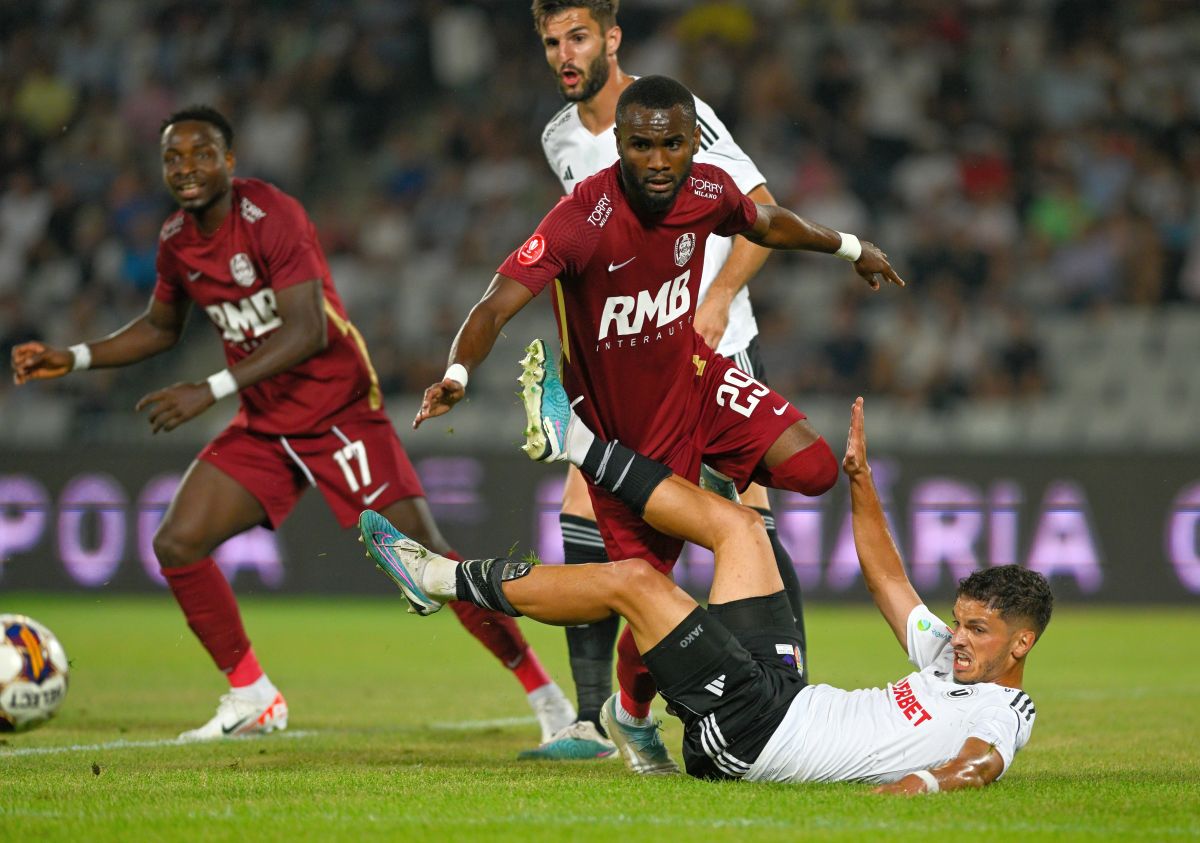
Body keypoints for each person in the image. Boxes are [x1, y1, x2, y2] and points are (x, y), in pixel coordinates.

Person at [10, 105, 574, 743]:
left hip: (338, 414)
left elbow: (307, 329)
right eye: (173, 157)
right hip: (267, 423)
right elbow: (162, 328)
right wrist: (75, 356)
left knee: (430, 565)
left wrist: (212, 388)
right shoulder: (176, 239)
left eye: (200, 155)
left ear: (228, 161)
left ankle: (548, 700)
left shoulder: (271, 216)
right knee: (176, 543)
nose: (186, 168)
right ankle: (252, 696)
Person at [412, 75, 904, 772]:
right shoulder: (580, 218)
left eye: (672, 144)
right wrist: (458, 374)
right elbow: (495, 304)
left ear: (692, 142)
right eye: (641, 145)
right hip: (627, 435)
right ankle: (630, 712)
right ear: (618, 143)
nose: (657, 160)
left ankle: (713, 588)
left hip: (698, 383)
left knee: (815, 467)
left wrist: (852, 247)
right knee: (652, 603)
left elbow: (767, 223)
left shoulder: (705, 189)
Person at [362, 377, 1053, 789]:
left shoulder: (1003, 712)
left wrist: (921, 785)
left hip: (753, 738)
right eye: (960, 621)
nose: (956, 637)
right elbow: (887, 581)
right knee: (742, 526)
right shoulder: (949, 655)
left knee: (637, 580)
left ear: (1020, 645)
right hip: (786, 695)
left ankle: (439, 576)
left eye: (976, 630)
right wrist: (861, 481)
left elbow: (983, 760)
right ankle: (577, 444)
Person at [526, 0, 806, 761]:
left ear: (612, 40)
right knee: (587, 501)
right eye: (552, 41)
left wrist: (715, 303)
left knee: (746, 517)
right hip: (627, 367)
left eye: (578, 36)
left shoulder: (678, 113)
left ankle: (780, 694)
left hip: (713, 351)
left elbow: (763, 211)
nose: (565, 54)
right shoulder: (559, 138)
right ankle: (593, 718)